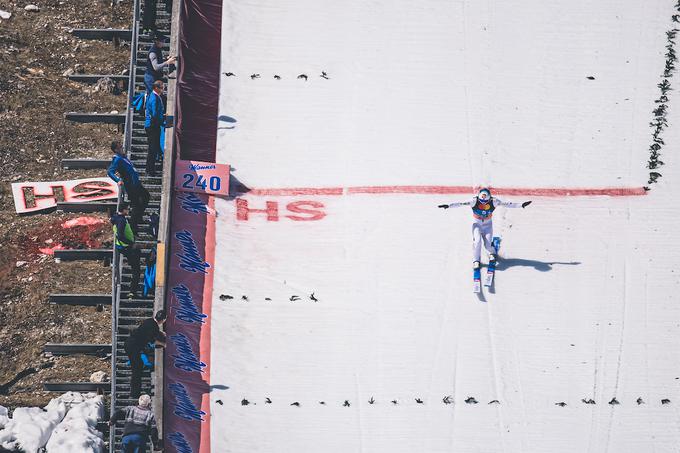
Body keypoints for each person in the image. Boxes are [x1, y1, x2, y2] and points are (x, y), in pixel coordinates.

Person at [438, 188, 531, 268]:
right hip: (477, 224)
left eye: (485, 201)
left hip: (488, 225)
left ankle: (492, 253)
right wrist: (448, 206)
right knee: (477, 241)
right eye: (481, 201)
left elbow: (507, 204)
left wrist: (521, 205)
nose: (483, 203)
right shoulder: (474, 201)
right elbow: (460, 204)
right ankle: (476, 260)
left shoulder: (494, 201)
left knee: (487, 245)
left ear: (489, 198)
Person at [108, 141, 150, 235]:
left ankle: (138, 217)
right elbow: (110, 172)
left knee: (146, 196)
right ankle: (133, 227)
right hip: (130, 185)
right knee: (136, 204)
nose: (122, 148)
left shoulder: (123, 157)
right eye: (119, 147)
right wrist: (117, 180)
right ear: (115, 150)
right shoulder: (117, 159)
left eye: (121, 147)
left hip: (136, 183)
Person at [124, 310, 167, 399]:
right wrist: (163, 344)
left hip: (129, 343)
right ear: (163, 320)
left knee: (138, 365)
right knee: (137, 370)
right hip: (133, 347)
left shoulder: (149, 321)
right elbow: (152, 340)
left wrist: (160, 333)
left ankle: (135, 392)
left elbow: (148, 330)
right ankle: (134, 394)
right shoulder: (155, 327)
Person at [111, 204, 142, 299]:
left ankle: (133, 290)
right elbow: (120, 235)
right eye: (127, 209)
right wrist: (131, 243)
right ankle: (132, 292)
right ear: (123, 210)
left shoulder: (116, 217)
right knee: (136, 270)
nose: (128, 210)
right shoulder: (121, 221)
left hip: (123, 247)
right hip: (127, 247)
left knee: (135, 264)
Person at [145, 80, 165, 177]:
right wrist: (161, 120)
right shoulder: (154, 98)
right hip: (153, 125)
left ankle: (151, 168)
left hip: (153, 124)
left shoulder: (155, 96)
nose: (163, 89)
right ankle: (150, 170)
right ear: (156, 88)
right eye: (161, 87)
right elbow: (154, 113)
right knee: (152, 149)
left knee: (154, 148)